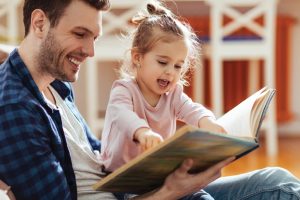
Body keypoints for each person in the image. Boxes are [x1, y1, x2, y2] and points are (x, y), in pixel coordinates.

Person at [0, 0, 299, 200]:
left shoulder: (53, 80)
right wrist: (168, 192)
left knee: (280, 181)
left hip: (143, 183)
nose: (91, 51)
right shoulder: (16, 111)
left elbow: (96, 154)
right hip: (141, 193)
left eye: (94, 37)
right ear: (39, 24)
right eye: (80, 34)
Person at [99, 0, 226, 175]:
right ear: (138, 57)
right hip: (121, 174)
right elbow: (122, 115)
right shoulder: (124, 89)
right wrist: (143, 132)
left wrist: (208, 122)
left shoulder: (173, 94)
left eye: (177, 66)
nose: (170, 72)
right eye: (163, 62)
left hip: (157, 172)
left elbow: (193, 109)